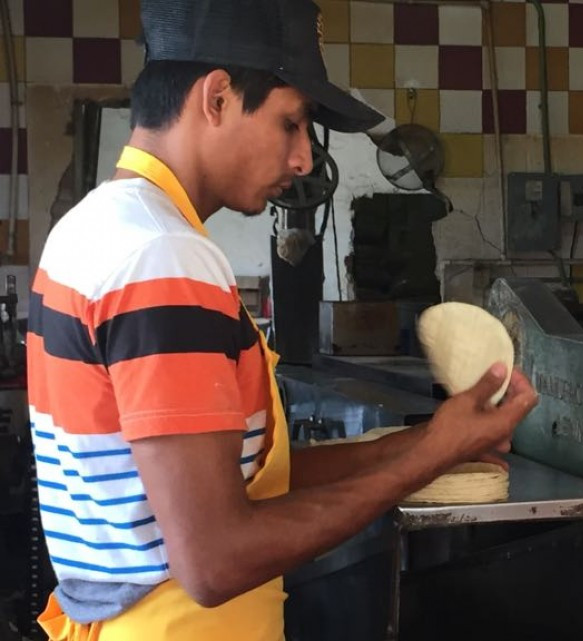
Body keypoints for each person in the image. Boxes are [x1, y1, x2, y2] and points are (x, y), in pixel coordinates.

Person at [26, 1, 538, 639]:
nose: (302, 159)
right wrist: (432, 452)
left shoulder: (94, 226)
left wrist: (432, 444)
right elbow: (215, 560)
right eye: (290, 123)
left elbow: (237, 481)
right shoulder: (163, 258)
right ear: (216, 98)